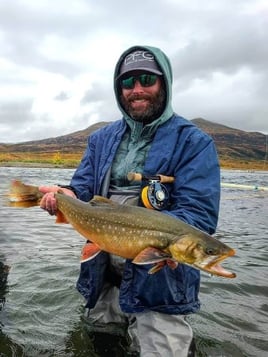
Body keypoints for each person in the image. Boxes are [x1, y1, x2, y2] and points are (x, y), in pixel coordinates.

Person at [39, 45, 220, 357]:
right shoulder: (101, 138)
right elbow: (82, 189)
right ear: (118, 88)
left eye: (146, 80)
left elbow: (199, 215)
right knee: (101, 344)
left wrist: (159, 242)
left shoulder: (195, 142)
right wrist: (67, 196)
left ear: (164, 83)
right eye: (127, 82)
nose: (136, 90)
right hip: (103, 272)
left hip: (160, 282)